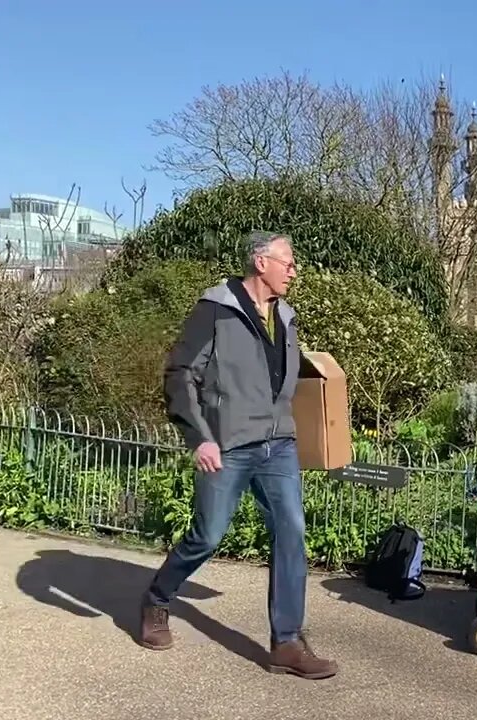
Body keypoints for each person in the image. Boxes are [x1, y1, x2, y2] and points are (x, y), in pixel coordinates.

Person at [138, 231, 338, 680]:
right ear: (260, 261)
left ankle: (285, 642)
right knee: (207, 536)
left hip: (278, 444)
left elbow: (282, 377)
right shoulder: (216, 309)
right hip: (227, 445)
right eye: (287, 260)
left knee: (291, 531)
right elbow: (180, 373)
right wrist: (200, 436)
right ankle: (156, 598)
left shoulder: (285, 315)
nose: (294, 269)